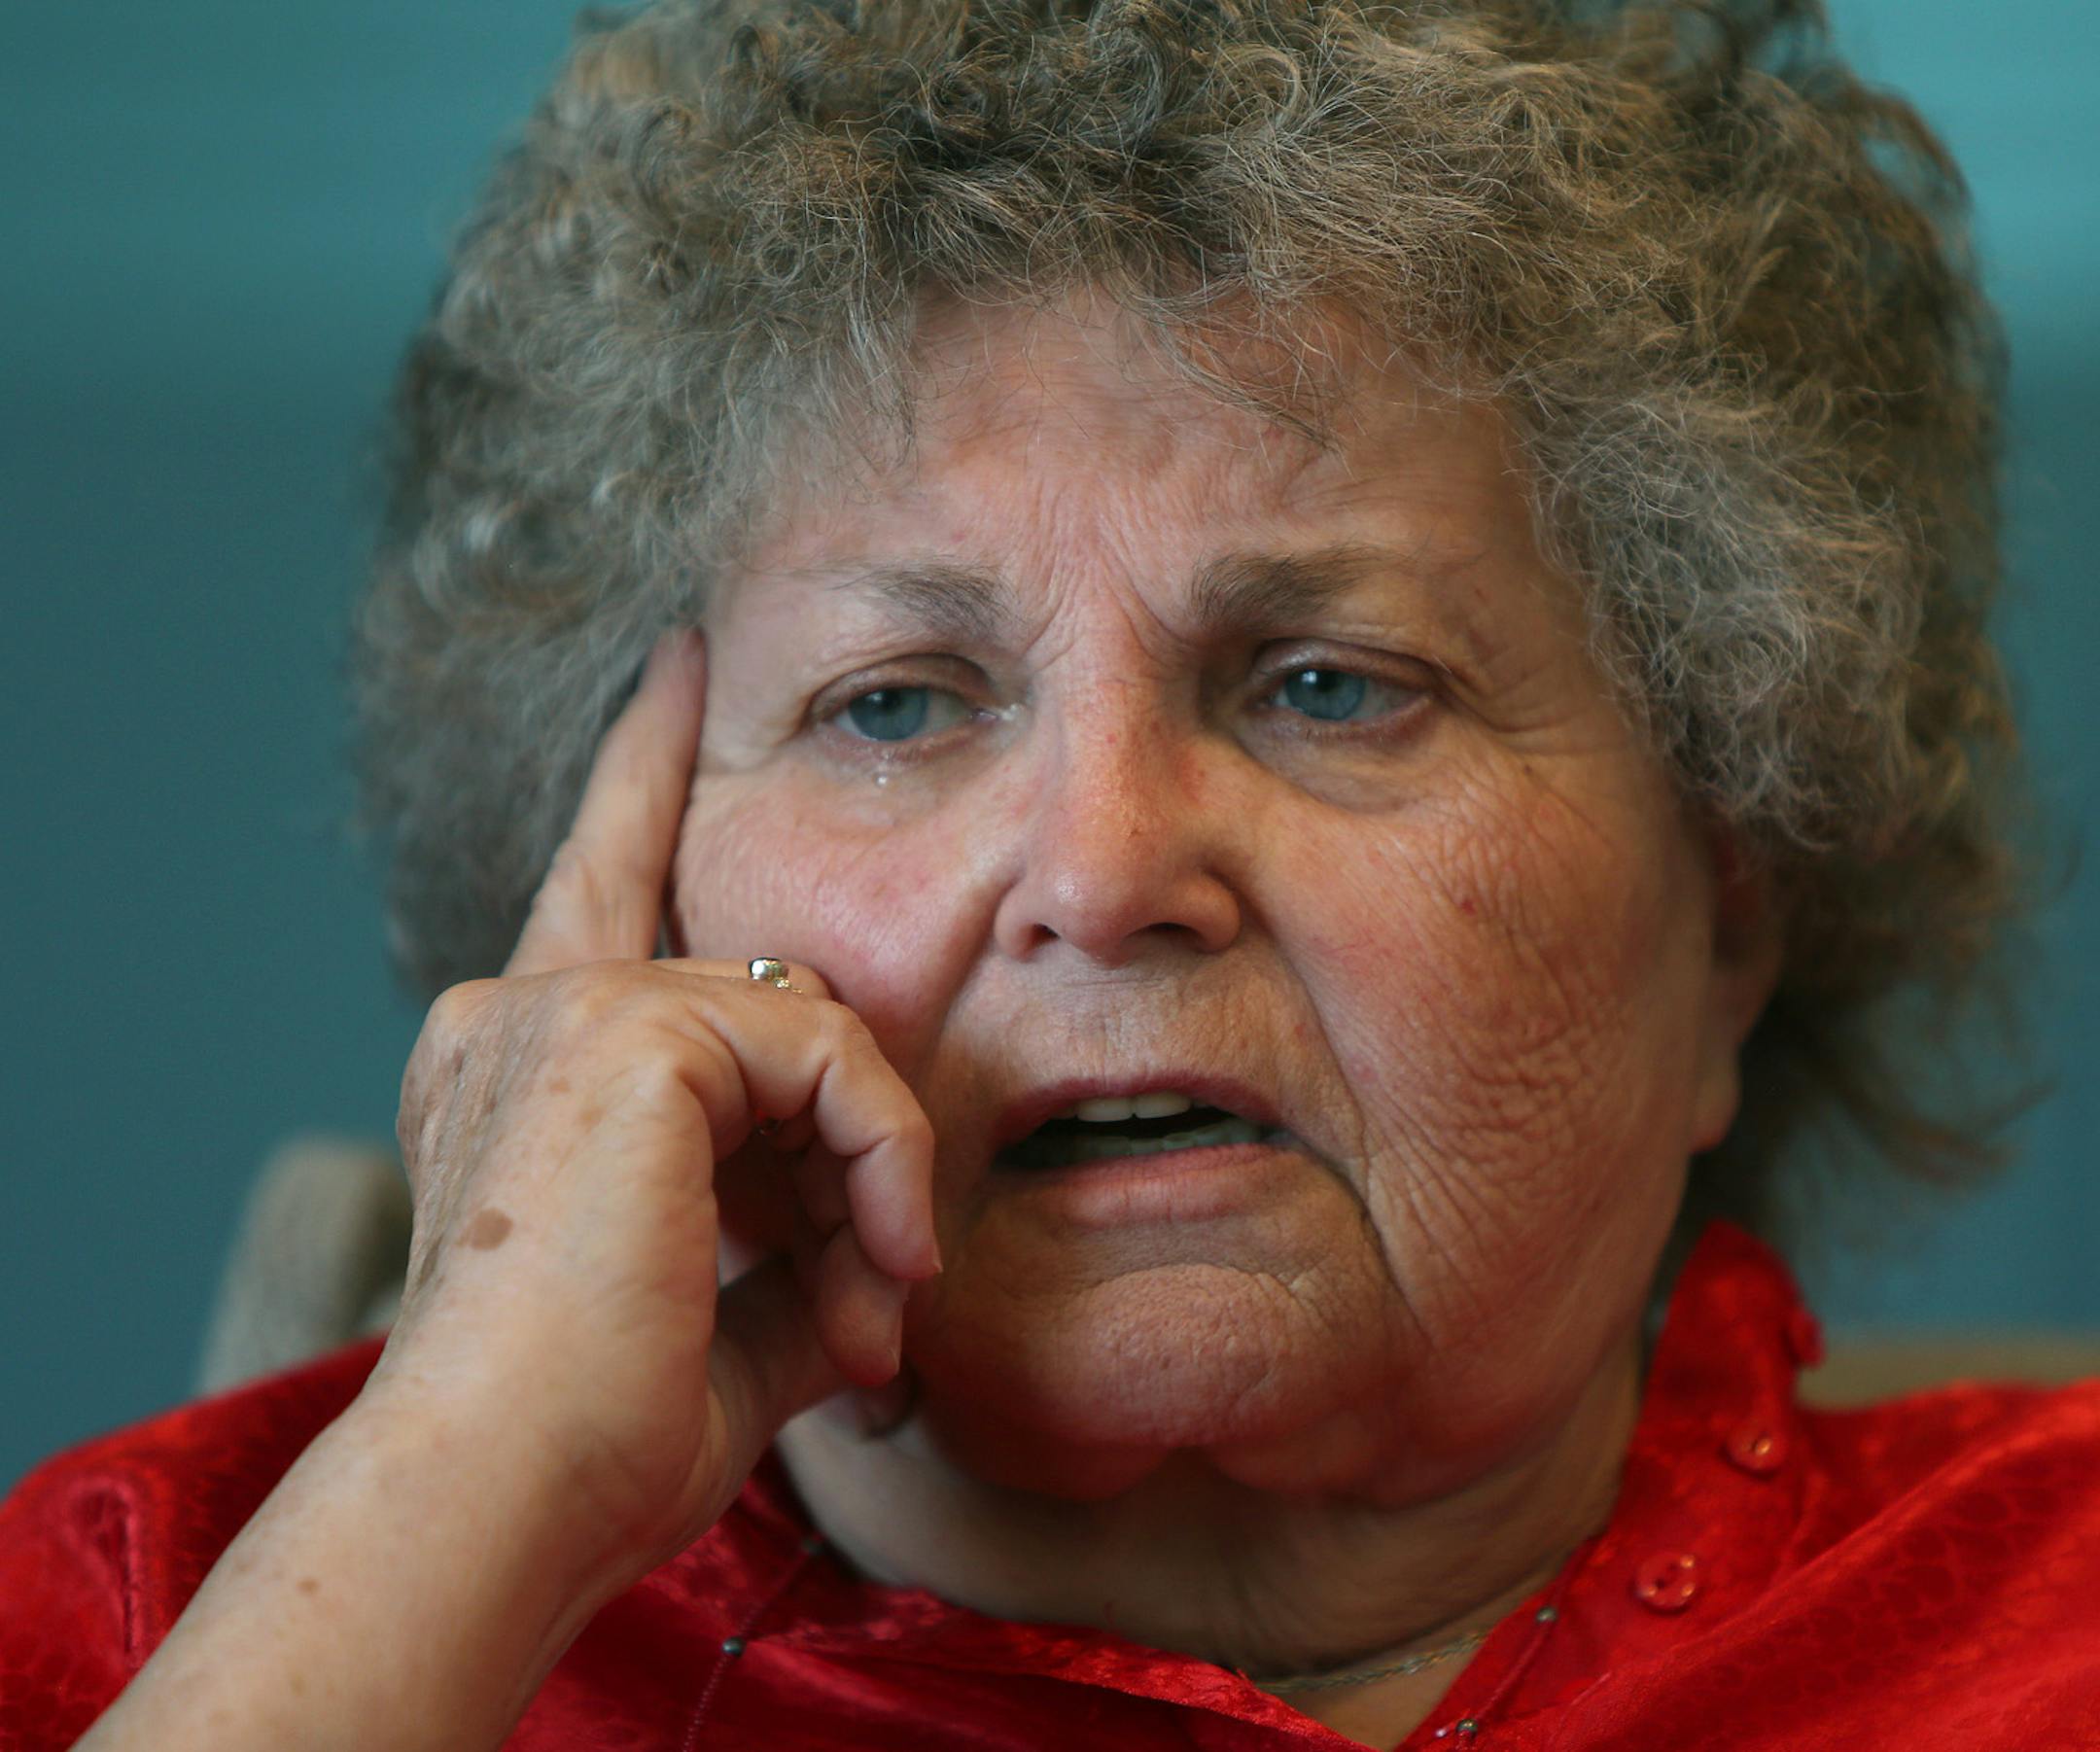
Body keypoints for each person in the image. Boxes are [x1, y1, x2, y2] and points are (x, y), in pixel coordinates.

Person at [6, 0, 2096, 1745]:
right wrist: (462, 1496)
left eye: (1327, 684)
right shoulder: (165, 1616)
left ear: (1732, 907)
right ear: (630, 895)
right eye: (898, 706)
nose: (1100, 873)